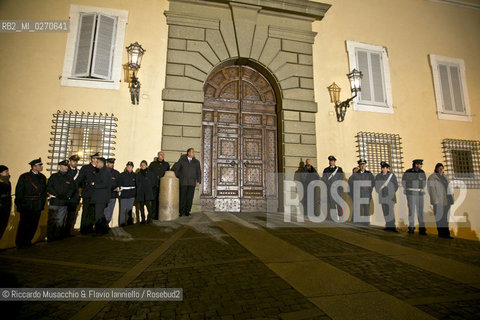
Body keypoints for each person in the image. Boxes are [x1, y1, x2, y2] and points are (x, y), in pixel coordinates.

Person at [14, 158, 47, 248]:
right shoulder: (24, 176)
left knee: (34, 224)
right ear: (34, 167)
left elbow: (44, 192)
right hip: (27, 204)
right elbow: (19, 191)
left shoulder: (42, 177)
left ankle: (28, 240)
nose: (41, 167)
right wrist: (20, 204)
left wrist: (42, 203)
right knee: (24, 224)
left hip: (37, 205)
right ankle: (20, 242)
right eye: (40, 165)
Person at [46, 160, 76, 241]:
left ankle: (57, 236)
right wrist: (56, 194)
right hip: (55, 201)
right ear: (60, 166)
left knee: (60, 220)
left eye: (67, 166)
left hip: (64, 202)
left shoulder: (69, 178)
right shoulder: (54, 176)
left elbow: (72, 188)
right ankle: (50, 236)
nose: (66, 167)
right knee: (52, 220)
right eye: (64, 166)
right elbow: (49, 187)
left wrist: (67, 196)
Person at [428, 163, 454, 239]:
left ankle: (446, 234)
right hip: (438, 201)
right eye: (439, 168)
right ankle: (441, 233)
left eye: (442, 168)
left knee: (446, 218)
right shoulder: (432, 178)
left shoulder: (445, 177)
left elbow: (449, 187)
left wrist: (452, 197)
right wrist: (435, 201)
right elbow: (431, 190)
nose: (441, 169)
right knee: (440, 218)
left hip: (447, 200)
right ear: (436, 169)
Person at [76, 152, 98, 234]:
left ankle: (90, 227)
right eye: (96, 159)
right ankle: (84, 228)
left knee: (93, 211)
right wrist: (84, 187)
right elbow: (80, 180)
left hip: (95, 193)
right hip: (87, 192)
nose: (97, 160)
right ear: (92, 159)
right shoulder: (85, 168)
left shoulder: (98, 169)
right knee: (86, 210)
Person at [402, 159, 427, 235]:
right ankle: (411, 227)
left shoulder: (422, 172)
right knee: (411, 211)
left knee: (420, 211)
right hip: (411, 193)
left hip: (419, 192)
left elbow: (424, 182)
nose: (421, 166)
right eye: (420, 164)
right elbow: (404, 182)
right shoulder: (408, 172)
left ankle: (422, 228)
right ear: (416, 165)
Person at [175, 148, 201, 217]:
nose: (193, 153)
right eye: (192, 152)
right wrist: (176, 178)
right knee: (182, 197)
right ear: (188, 153)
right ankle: (181, 211)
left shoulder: (196, 162)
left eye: (194, 152)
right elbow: (176, 169)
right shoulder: (182, 160)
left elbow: (198, 172)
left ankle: (187, 211)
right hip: (183, 182)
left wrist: (198, 181)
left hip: (192, 182)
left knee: (189, 198)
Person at [348, 159, 374, 225]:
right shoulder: (355, 175)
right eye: (361, 165)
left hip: (366, 194)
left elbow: (373, 183)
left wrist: (369, 189)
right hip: (358, 194)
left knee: (366, 209)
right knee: (358, 209)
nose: (362, 166)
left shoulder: (369, 174)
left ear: (365, 166)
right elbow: (350, 183)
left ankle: (366, 223)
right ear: (359, 166)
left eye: (363, 165)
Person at [374, 161, 398, 232]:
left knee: (390, 211)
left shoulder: (392, 176)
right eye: (382, 168)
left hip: (390, 196)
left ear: (387, 169)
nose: (383, 169)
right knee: (385, 211)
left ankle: (392, 226)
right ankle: (388, 225)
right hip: (382, 196)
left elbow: (395, 185)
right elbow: (376, 186)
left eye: (384, 168)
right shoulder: (378, 176)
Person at [91, 157, 111, 234]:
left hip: (101, 197)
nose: (96, 164)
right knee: (100, 214)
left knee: (98, 215)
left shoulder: (104, 171)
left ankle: (99, 230)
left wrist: (94, 184)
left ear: (101, 163)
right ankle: (104, 229)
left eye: (97, 162)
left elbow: (105, 184)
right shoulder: (102, 171)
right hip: (100, 196)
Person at [149, 151, 170, 220]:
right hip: (154, 185)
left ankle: (160, 216)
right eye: (160, 154)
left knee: (162, 201)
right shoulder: (152, 164)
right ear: (158, 155)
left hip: (162, 186)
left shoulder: (166, 164)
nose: (162, 156)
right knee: (153, 201)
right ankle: (152, 216)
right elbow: (149, 174)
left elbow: (168, 174)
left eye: (163, 155)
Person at [64, 154, 80, 237]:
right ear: (70, 161)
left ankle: (67, 231)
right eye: (73, 161)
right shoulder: (66, 170)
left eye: (76, 161)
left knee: (71, 215)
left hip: (74, 196)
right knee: (63, 214)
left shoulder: (78, 172)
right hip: (66, 196)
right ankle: (61, 231)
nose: (75, 163)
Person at [118, 161, 136, 226]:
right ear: (126, 167)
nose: (129, 167)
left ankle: (129, 223)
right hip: (124, 194)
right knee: (123, 210)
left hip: (131, 194)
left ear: (132, 167)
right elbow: (119, 184)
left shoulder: (135, 175)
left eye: (131, 166)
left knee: (129, 210)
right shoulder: (122, 175)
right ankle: (122, 224)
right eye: (128, 166)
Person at [104, 158, 120, 224]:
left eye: (112, 163)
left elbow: (119, 182)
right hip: (104, 195)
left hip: (113, 194)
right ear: (107, 163)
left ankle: (107, 223)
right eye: (110, 163)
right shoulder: (103, 172)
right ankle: (102, 224)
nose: (111, 164)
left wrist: (117, 187)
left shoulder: (116, 173)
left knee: (110, 211)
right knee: (104, 211)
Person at [0, 165, 12, 239]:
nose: (8, 173)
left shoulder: (7, 181)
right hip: (1, 206)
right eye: (6, 171)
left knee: (3, 226)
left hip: (6, 207)